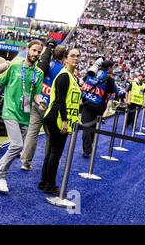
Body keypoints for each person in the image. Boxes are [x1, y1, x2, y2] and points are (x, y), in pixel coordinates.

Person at [0, 40, 44, 193]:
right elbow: (0, 84)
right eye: (34, 50)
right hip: (10, 111)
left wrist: (41, 101)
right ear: (28, 50)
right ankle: (0, 176)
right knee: (17, 145)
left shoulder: (39, 73)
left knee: (15, 148)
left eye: (39, 52)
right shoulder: (14, 65)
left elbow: (36, 94)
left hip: (25, 114)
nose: (36, 54)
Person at [40, 48, 81, 195]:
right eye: (72, 56)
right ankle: (50, 185)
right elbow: (60, 101)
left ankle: (44, 182)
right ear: (65, 58)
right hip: (57, 118)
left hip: (59, 117)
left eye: (78, 56)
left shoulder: (71, 77)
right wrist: (64, 121)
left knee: (52, 152)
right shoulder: (64, 76)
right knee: (55, 153)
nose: (75, 58)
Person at [20, 44, 65, 171]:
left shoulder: (43, 64)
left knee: (32, 133)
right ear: (63, 57)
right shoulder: (63, 70)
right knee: (50, 136)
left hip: (36, 101)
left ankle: (25, 162)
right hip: (49, 106)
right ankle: (47, 164)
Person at [80, 59, 116, 157]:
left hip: (87, 103)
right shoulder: (110, 79)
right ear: (109, 68)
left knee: (86, 126)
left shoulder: (91, 72)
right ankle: (89, 147)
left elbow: (81, 84)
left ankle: (87, 149)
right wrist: (103, 110)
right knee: (93, 126)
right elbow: (108, 96)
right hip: (99, 106)